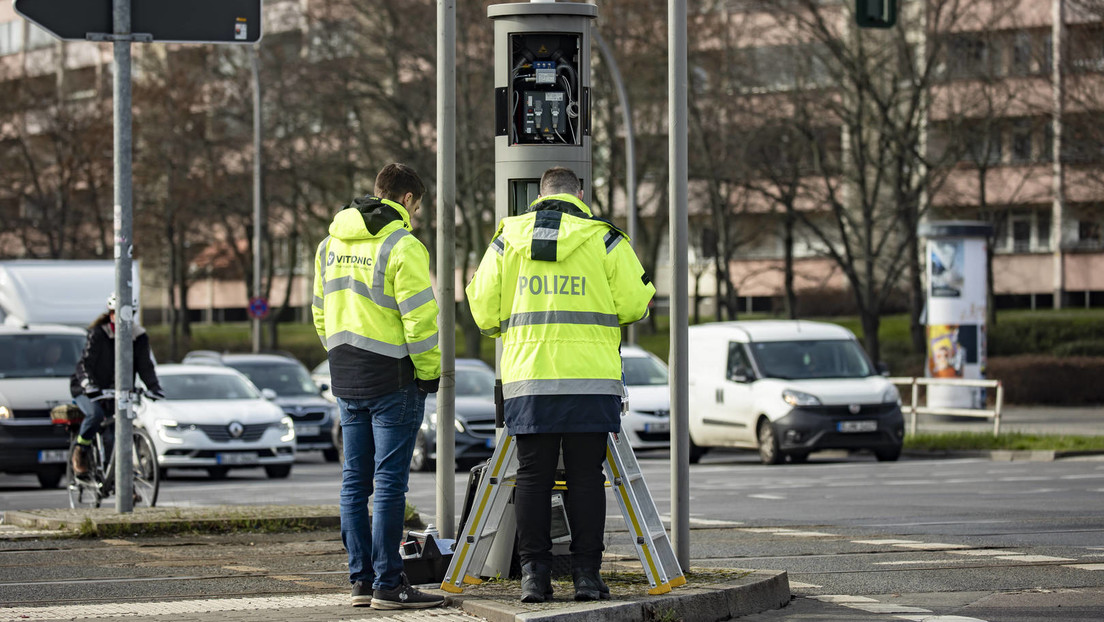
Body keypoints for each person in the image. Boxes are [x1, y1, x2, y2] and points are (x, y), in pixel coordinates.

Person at [465, 166, 655, 602]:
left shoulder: (505, 240)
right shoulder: (605, 239)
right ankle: (587, 577)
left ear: (539, 195)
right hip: (590, 379)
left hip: (529, 379)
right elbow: (635, 303)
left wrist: (506, 327)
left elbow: (482, 310)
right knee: (587, 477)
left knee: (533, 477)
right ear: (581, 194)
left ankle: (535, 577)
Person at [312, 163, 445, 610]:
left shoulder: (329, 244)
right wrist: (429, 372)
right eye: (418, 207)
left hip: (346, 376)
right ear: (407, 199)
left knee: (354, 483)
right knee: (389, 484)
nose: (417, 215)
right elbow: (420, 320)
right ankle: (390, 584)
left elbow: (319, 312)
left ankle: (360, 584)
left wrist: (340, 357)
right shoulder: (402, 244)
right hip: (394, 378)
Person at [69, 293, 164, 476]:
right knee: (95, 415)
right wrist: (88, 384)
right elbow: (84, 364)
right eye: (116, 313)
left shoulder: (139, 337)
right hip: (88, 388)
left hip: (118, 391)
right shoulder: (98, 333)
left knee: (117, 432)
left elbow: (145, 365)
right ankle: (81, 450)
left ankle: (122, 483)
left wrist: (154, 387)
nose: (120, 317)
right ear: (111, 313)